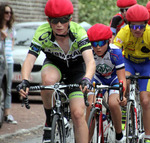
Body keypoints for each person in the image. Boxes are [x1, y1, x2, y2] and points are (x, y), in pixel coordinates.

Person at [16, 0, 96, 142]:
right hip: (54, 65)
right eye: (54, 21)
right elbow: (29, 60)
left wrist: (87, 79)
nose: (59, 25)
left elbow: (90, 61)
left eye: (63, 20)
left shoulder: (78, 31)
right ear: (48, 20)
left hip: (76, 70)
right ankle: (49, 119)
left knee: (78, 114)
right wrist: (25, 80)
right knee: (47, 80)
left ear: (70, 19)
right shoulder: (42, 32)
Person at [114, 4, 150, 143]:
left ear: (146, 24)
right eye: (134, 26)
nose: (137, 30)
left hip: (147, 65)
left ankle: (148, 136)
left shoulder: (148, 33)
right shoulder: (124, 32)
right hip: (129, 63)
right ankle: (124, 112)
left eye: (141, 26)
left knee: (145, 100)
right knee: (124, 85)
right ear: (128, 24)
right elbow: (115, 49)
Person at [87, 23, 127, 143]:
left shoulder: (116, 52)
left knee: (113, 104)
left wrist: (122, 95)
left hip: (113, 79)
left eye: (101, 43)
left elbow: (122, 78)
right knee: (90, 105)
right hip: (97, 78)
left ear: (108, 41)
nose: (98, 47)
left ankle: (119, 135)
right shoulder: (89, 52)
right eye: (94, 44)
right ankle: (86, 139)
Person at [0, 3, 17, 124]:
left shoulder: (11, 29)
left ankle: (7, 114)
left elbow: (12, 45)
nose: (8, 15)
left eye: (10, 13)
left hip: (9, 60)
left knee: (8, 88)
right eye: (6, 12)